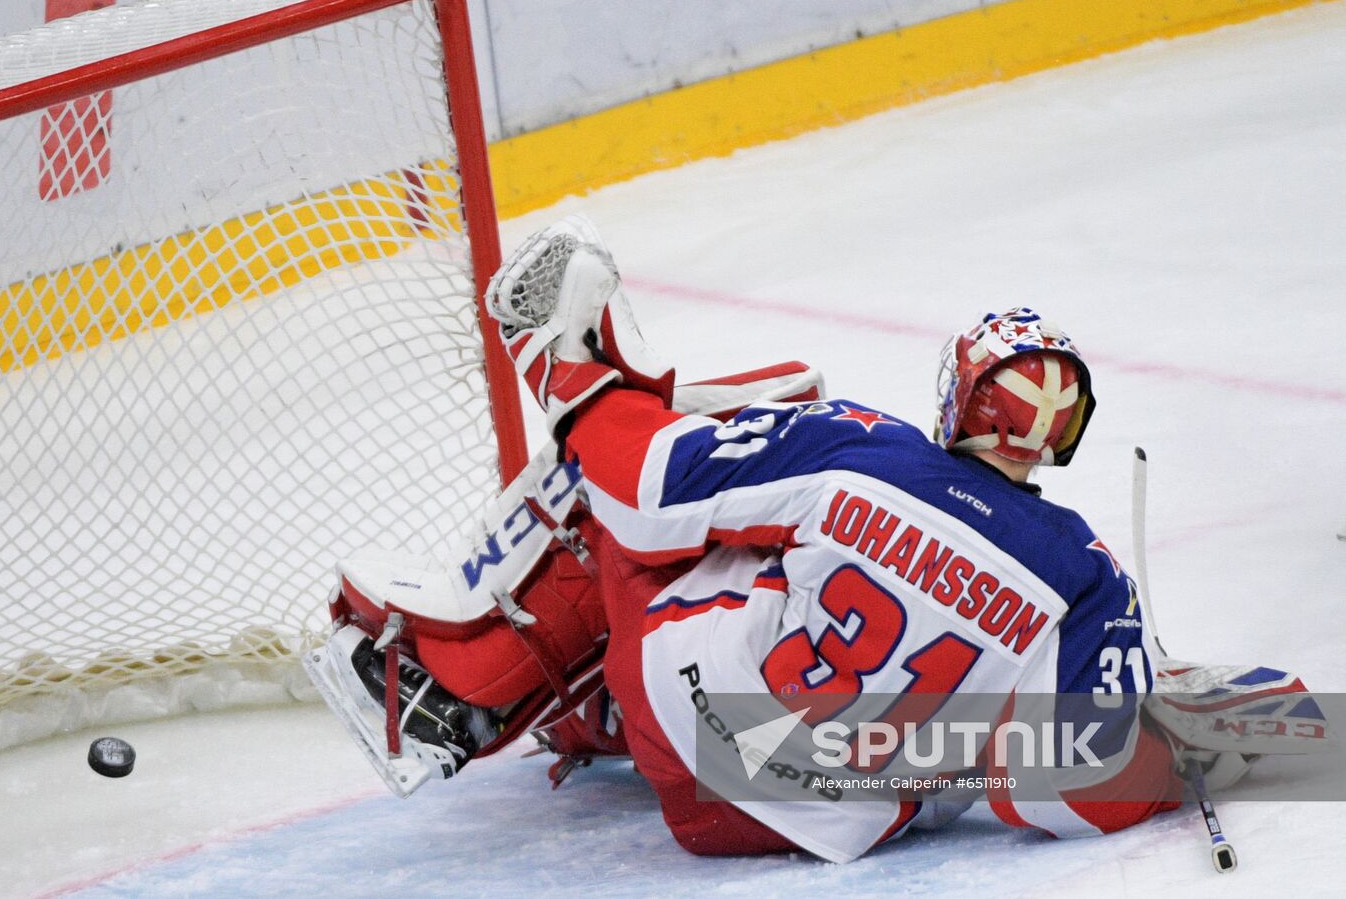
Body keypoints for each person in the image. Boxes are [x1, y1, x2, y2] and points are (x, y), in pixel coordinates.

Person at [310, 216, 1291, 864]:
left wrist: (576, 382)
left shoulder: (863, 450)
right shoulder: (1087, 578)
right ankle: (579, 714)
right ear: (1062, 437)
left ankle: (458, 689)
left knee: (701, 443)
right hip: (797, 817)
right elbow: (1071, 790)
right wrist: (1195, 734)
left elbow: (648, 493)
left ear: (957, 395)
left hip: (684, 725)